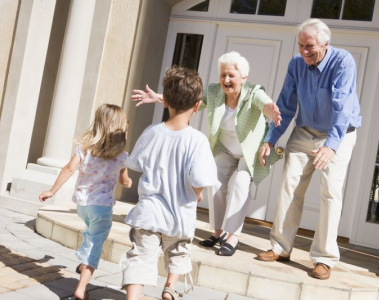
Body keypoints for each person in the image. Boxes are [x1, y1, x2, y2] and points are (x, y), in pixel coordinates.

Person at [131, 51, 282, 257]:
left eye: (231, 76)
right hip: (225, 149)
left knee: (240, 184)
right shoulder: (213, 92)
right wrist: (160, 98)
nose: (226, 80)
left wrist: (271, 112)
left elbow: (265, 104)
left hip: (249, 153)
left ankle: (233, 235)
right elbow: (190, 101)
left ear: (243, 78)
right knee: (217, 183)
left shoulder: (254, 93)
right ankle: (218, 232)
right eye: (222, 75)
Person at [256, 19, 362, 280]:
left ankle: (324, 258)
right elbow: (286, 103)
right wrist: (271, 138)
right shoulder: (296, 64)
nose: (304, 51)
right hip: (304, 132)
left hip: (340, 133)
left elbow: (342, 107)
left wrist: (332, 146)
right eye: (301, 45)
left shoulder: (343, 61)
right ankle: (280, 247)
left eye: (310, 46)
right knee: (289, 186)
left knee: (330, 192)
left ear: (325, 44)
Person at [121, 66, 219, 300]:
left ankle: (132, 298)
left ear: (165, 102)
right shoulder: (198, 140)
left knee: (140, 257)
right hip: (179, 214)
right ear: (197, 106)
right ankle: (169, 288)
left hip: (149, 213)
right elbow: (198, 178)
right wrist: (198, 193)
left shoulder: (152, 132)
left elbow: (135, 163)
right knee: (178, 252)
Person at [39, 104, 132, 300]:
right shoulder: (121, 156)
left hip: (82, 206)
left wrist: (52, 190)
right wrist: (129, 181)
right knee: (95, 245)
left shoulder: (84, 149)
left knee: (90, 235)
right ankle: (81, 288)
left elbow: (68, 169)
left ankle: (82, 265)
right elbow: (125, 182)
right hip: (102, 209)